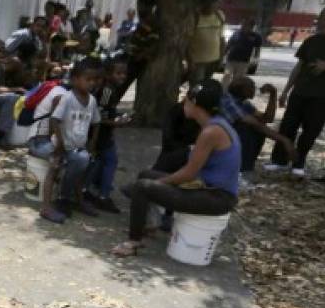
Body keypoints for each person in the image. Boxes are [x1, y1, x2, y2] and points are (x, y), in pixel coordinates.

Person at [113, 80, 239, 257]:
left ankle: (133, 242)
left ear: (195, 104)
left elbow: (189, 173)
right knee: (145, 175)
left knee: (143, 186)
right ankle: (151, 223)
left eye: (186, 100)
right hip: (207, 188)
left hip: (217, 197)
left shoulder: (211, 132)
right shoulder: (216, 124)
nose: (183, 104)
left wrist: (159, 183)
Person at [28, 57, 103, 223]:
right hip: (61, 145)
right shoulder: (67, 98)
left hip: (78, 146)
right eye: (88, 79)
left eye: (94, 80)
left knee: (82, 166)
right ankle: (47, 207)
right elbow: (54, 120)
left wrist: (93, 142)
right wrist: (60, 143)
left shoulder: (92, 101)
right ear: (75, 80)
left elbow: (97, 122)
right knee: (54, 168)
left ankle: (74, 200)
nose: (92, 83)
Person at [264, 5, 325, 179]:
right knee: (288, 126)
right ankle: (279, 160)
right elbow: (298, 67)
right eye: (324, 19)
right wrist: (286, 90)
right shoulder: (310, 41)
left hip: (322, 96)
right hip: (300, 91)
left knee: (311, 130)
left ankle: (299, 163)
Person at [222, 77, 295, 176]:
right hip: (221, 137)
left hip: (228, 135)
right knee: (249, 130)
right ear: (241, 90)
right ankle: (241, 170)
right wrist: (284, 140)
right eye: (251, 87)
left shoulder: (244, 103)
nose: (254, 89)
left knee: (257, 130)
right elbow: (256, 124)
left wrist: (273, 94)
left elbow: (267, 118)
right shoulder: (229, 101)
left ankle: (245, 166)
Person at [86, 57, 130, 213]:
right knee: (110, 161)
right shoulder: (107, 91)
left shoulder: (109, 89)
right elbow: (99, 117)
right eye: (118, 73)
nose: (122, 77)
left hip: (101, 134)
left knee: (99, 162)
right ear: (108, 73)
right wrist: (117, 122)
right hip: (100, 134)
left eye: (124, 74)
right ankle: (103, 196)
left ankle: (90, 190)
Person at [116, 0, 160, 102]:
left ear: (150, 7)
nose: (138, 9)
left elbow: (153, 44)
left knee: (127, 85)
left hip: (139, 60)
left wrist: (141, 55)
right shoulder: (143, 21)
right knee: (122, 85)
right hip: (133, 57)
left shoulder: (153, 23)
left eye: (141, 6)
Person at [186, 0, 226, 85]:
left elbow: (222, 38)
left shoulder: (220, 16)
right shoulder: (194, 17)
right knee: (197, 86)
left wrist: (221, 58)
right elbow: (186, 42)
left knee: (205, 85)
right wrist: (190, 60)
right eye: (211, 1)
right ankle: (193, 99)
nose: (214, 4)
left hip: (213, 60)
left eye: (216, 2)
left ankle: (201, 99)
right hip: (197, 62)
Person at [222, 19, 263, 88]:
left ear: (251, 27)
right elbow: (229, 44)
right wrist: (223, 54)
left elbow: (257, 48)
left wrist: (255, 58)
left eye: (245, 25)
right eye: (243, 25)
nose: (243, 27)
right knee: (227, 75)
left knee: (238, 79)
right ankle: (223, 91)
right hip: (231, 59)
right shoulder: (236, 33)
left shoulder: (256, 36)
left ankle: (233, 92)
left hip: (243, 61)